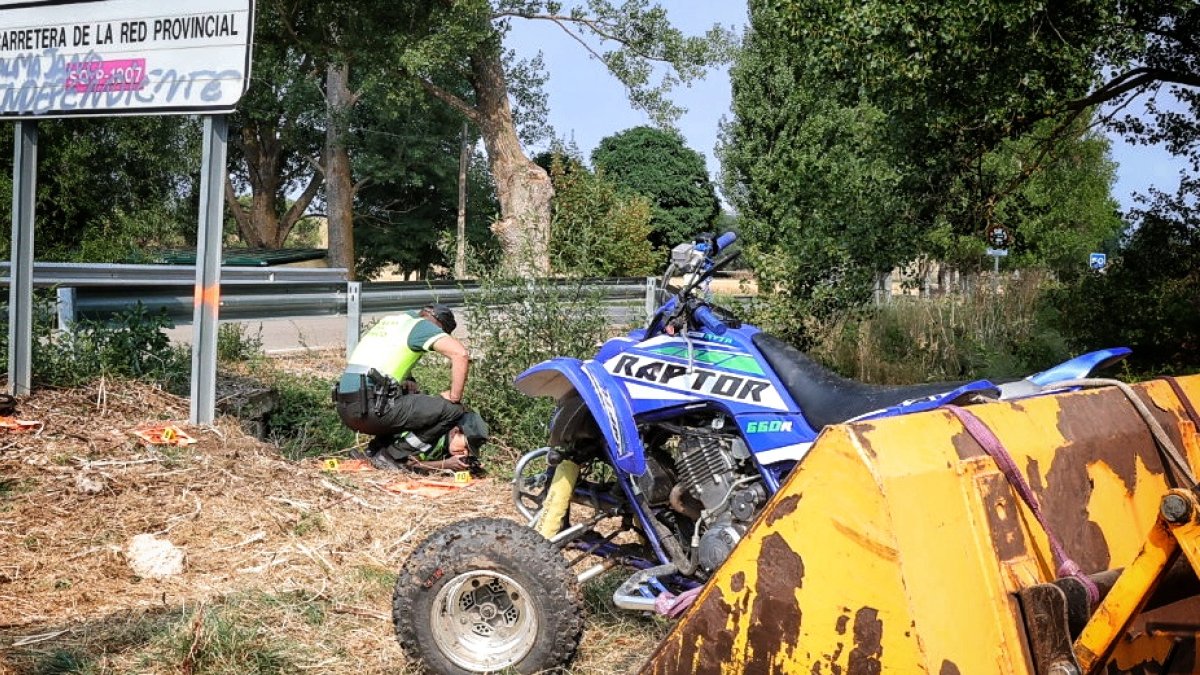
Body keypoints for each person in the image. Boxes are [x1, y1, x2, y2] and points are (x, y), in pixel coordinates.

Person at [333, 304, 471, 470]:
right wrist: (455, 396)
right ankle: (393, 455)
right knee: (452, 409)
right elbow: (460, 354)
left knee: (412, 399)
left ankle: (373, 451)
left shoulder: (393, 321)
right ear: (438, 325)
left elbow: (385, 353)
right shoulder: (423, 326)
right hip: (369, 409)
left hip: (346, 408)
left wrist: (408, 379)